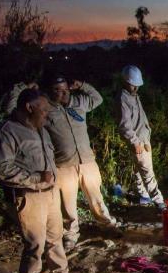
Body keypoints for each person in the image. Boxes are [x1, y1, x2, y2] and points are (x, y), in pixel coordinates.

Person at [0, 89, 82, 273]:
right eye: (44, 110)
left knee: (55, 236)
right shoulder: (7, 131)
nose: (47, 114)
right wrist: (36, 177)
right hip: (29, 195)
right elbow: (2, 168)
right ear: (29, 107)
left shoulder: (40, 129)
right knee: (35, 241)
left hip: (50, 193)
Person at [43, 73, 118, 251]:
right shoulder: (45, 109)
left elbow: (97, 98)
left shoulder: (79, 102)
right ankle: (70, 234)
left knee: (96, 197)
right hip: (63, 164)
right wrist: (26, 88)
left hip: (87, 161)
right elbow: (14, 109)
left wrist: (83, 84)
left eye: (65, 89)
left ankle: (108, 225)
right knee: (68, 205)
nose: (62, 93)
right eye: (57, 90)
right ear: (50, 91)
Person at [115, 65, 165, 209]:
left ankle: (143, 196)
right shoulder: (122, 99)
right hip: (137, 141)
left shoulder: (133, 96)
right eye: (133, 85)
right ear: (125, 82)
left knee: (138, 170)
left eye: (137, 85)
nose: (136, 88)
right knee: (148, 172)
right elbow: (125, 125)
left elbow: (140, 119)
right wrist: (135, 142)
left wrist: (146, 137)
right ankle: (159, 201)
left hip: (143, 139)